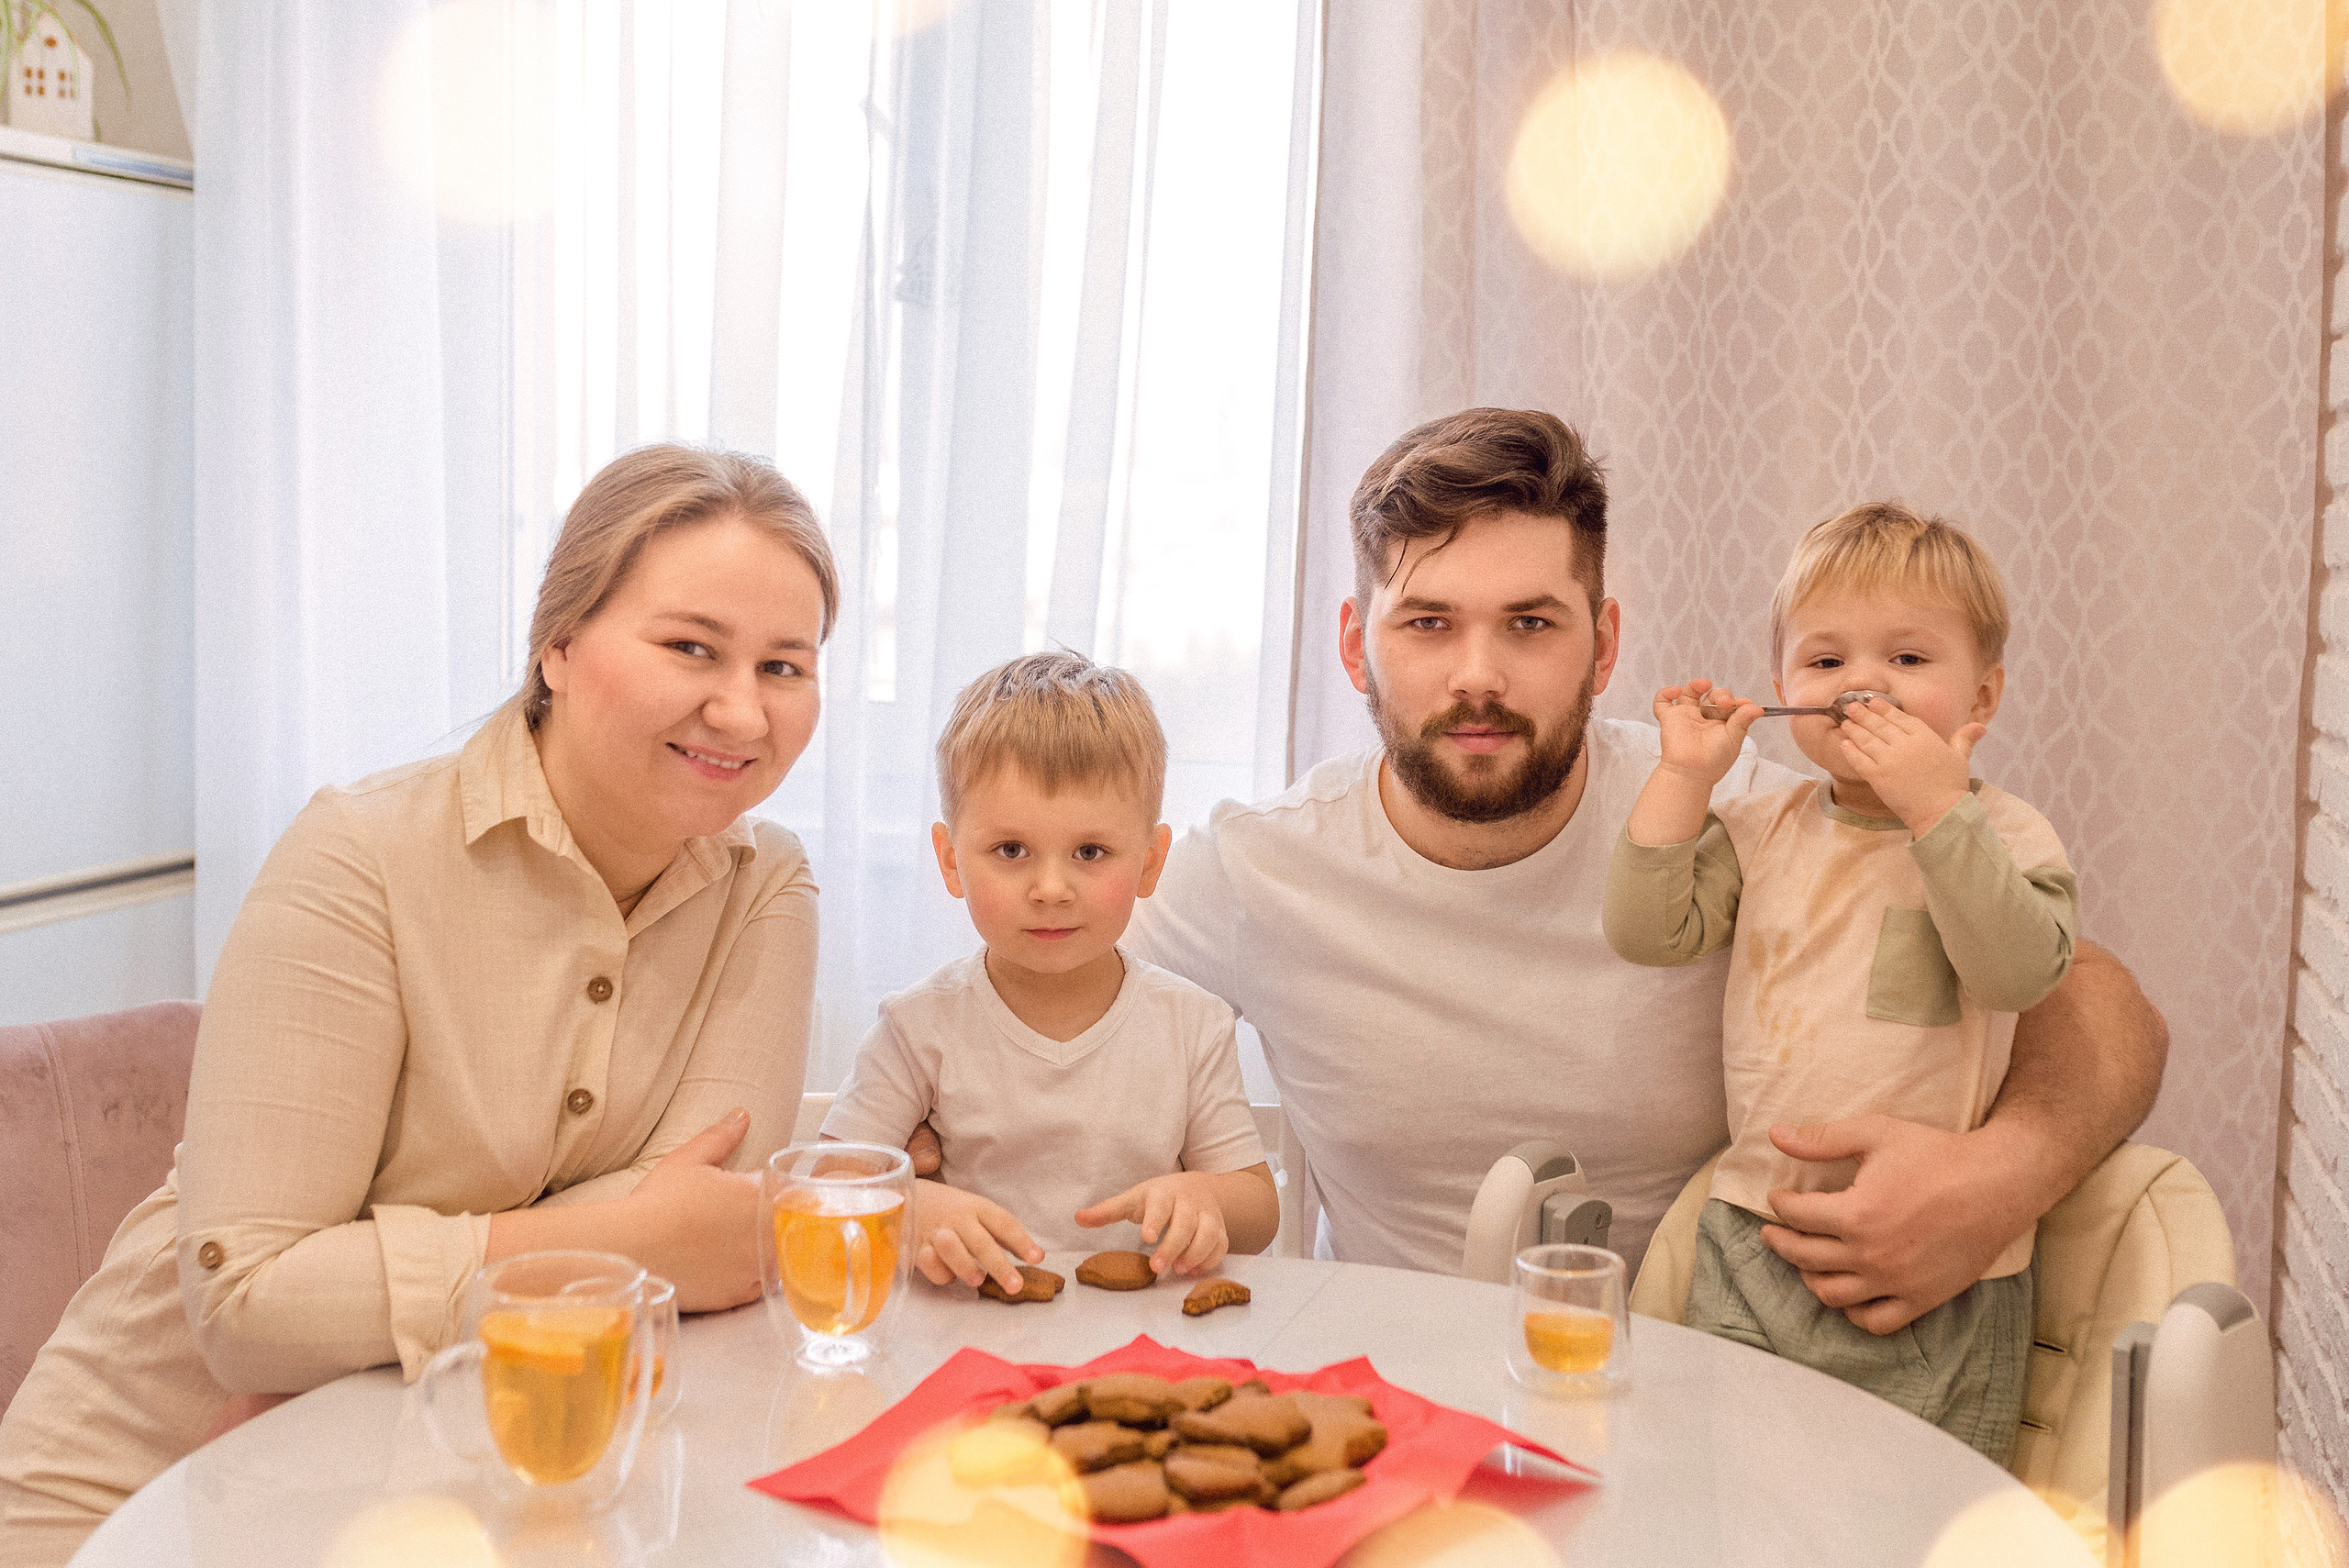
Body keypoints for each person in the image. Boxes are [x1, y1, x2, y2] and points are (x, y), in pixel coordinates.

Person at [1121, 407, 2165, 1339]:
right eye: (1427, 622)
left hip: (1723, 1386)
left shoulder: (1739, 812)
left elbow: (2106, 1005)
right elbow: (1024, 997)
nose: (1477, 673)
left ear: (1604, 643)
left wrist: (1998, 1177)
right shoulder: (1258, 870)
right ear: (1357, 647)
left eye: (1530, 623)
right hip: (1411, 1407)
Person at [0, 446, 835, 1566]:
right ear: (560, 643)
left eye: (786, 665)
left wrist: (371, 1306)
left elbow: (708, 1228)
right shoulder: (363, 855)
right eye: (691, 646)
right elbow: (247, 1303)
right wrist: (619, 1240)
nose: (740, 709)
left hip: (463, 1477)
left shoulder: (765, 885)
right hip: (148, 1490)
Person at [1602, 504, 2073, 1460]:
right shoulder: (1761, 826)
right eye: (1825, 662)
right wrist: (1684, 777)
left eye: (1906, 660)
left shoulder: (2009, 834)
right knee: (1732, 1499)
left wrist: (1936, 805)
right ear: (1782, 687)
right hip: (1754, 1232)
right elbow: (1645, 932)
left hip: (1938, 1263)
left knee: (1919, 1510)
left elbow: (2016, 971)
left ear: (1979, 695)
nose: (1862, 682)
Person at [821, 652, 1278, 1294]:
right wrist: (909, 1207)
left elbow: (1257, 1207)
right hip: (963, 1334)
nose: (1051, 887)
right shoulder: (919, 1024)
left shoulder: (1191, 1023)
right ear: (952, 861)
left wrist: (1206, 1199)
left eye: (1090, 852)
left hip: (1145, 1338)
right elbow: (826, 1184)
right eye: (1011, 850)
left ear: (1150, 862)